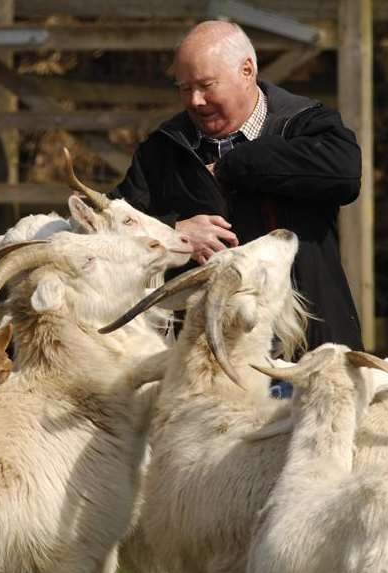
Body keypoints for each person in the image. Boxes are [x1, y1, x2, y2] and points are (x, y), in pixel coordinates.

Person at [112, 20, 363, 353]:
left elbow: (345, 174)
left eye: (206, 85)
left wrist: (236, 163)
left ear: (247, 70)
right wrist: (176, 233)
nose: (195, 101)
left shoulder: (305, 123)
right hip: (207, 350)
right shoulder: (163, 148)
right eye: (184, 88)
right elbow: (111, 227)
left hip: (309, 342)